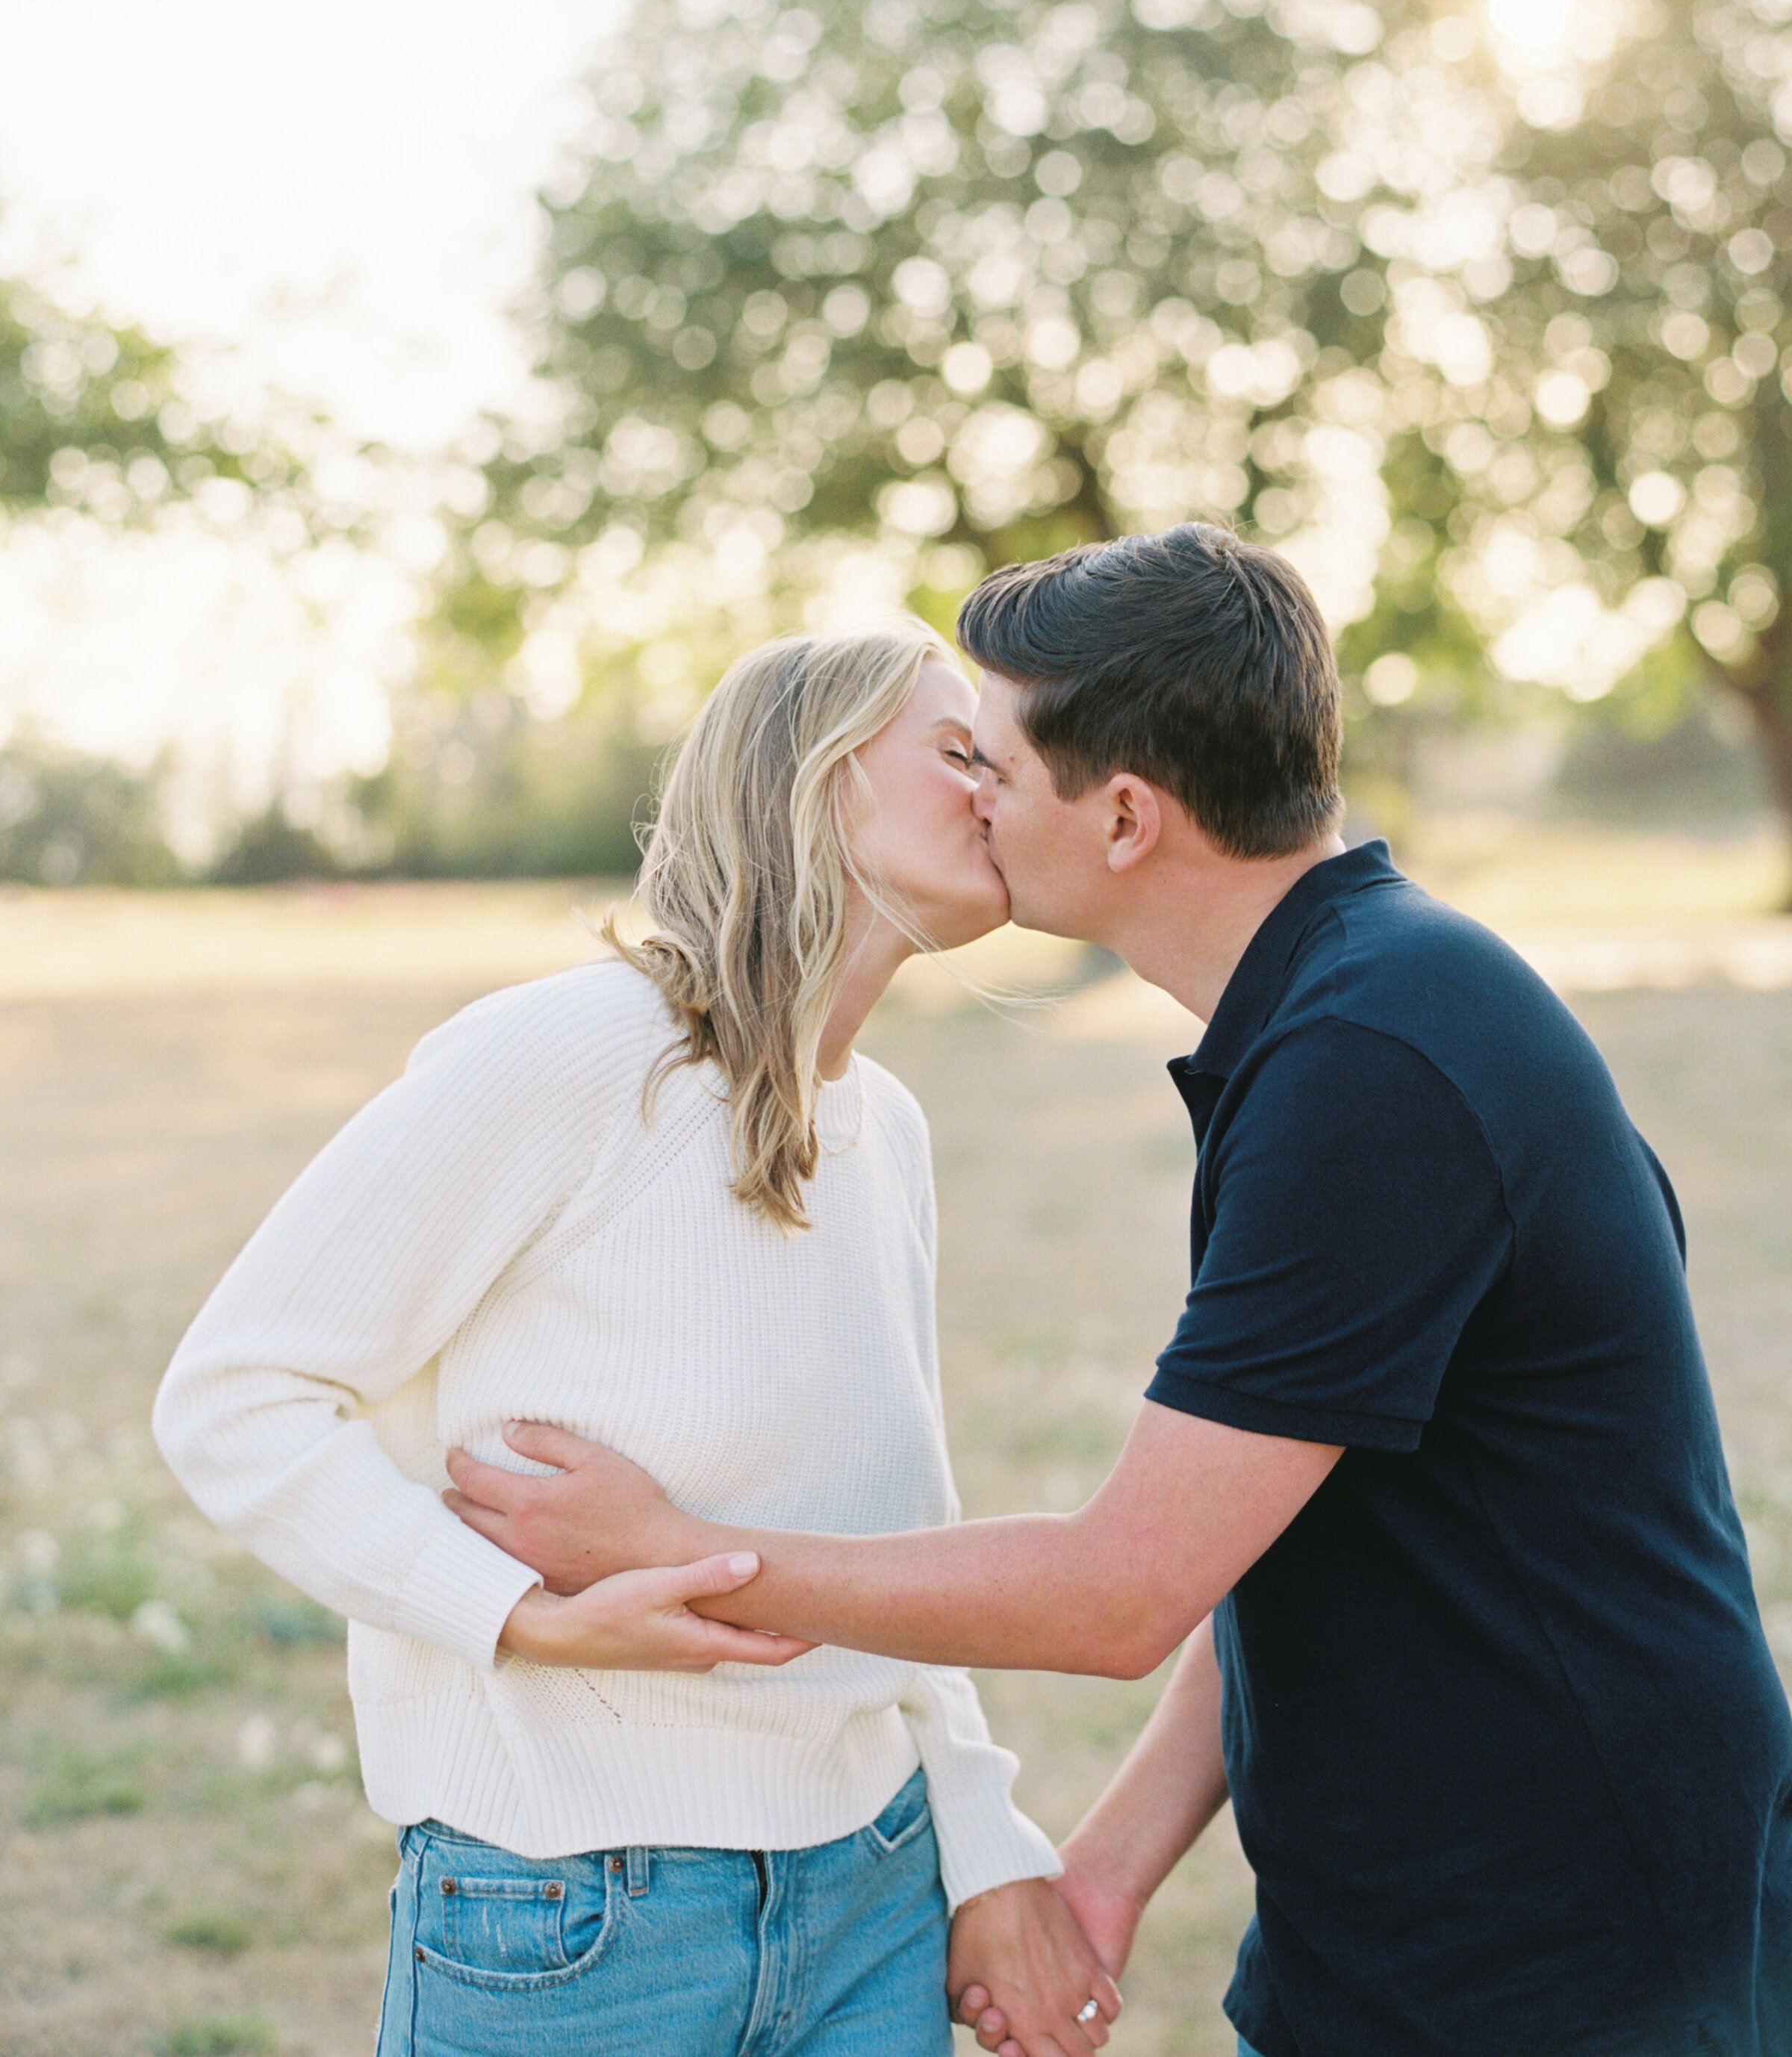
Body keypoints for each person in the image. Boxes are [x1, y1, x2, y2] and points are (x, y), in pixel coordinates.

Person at [444, 524, 1792, 2057]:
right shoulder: (1357, 998)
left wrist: (680, 1554)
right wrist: (1100, 1872)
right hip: (1428, 1911)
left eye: (995, 768)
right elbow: (1283, 1529)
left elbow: (1120, 1590)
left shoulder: (1373, 1065)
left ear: (1129, 816)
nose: (971, 800)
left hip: (1564, 1942)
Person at [152, 621, 1121, 2057]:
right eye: (960, 750)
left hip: (873, 1905)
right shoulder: (569, 1056)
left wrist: (982, 1845)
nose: (1002, 787)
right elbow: (236, 1396)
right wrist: (515, 1615)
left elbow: (889, 1535)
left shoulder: (889, 1132)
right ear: (816, 778)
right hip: (573, 1919)